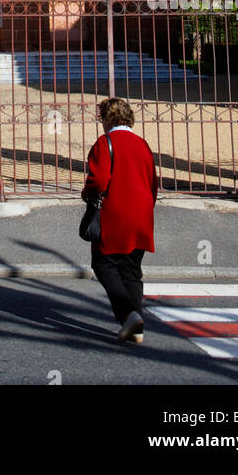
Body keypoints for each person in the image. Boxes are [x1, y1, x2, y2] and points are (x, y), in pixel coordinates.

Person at [83, 97, 158, 343]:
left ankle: (128, 315)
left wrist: (87, 194)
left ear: (107, 118)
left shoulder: (105, 143)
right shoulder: (143, 144)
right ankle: (136, 328)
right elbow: (153, 182)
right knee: (132, 270)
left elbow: (99, 180)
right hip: (142, 214)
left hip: (115, 214)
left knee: (104, 265)